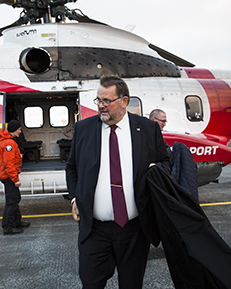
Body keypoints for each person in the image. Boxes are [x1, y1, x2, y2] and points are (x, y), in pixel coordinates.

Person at [66, 75, 169, 288]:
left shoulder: (148, 129)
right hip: (94, 230)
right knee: (91, 283)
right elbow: (72, 167)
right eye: (98, 100)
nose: (101, 106)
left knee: (131, 284)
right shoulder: (84, 129)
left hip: (134, 230)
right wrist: (75, 197)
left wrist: (156, 169)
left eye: (107, 101)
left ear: (124, 101)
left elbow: (166, 162)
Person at [0, 120, 30, 235]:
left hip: (8, 176)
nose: (20, 131)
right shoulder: (9, 144)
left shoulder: (9, 141)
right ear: (14, 130)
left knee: (15, 199)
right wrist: (15, 179)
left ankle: (17, 222)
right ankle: (8, 227)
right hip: (8, 177)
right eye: (19, 129)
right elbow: (9, 164)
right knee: (11, 201)